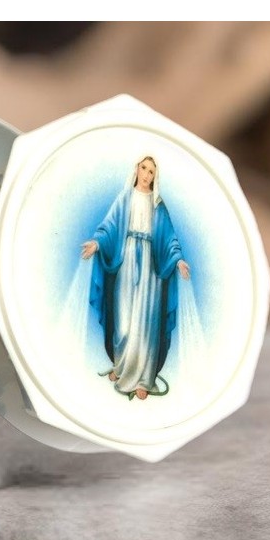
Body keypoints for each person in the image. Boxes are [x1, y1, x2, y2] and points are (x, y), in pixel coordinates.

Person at [81, 155, 191, 400]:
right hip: (127, 260)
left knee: (146, 323)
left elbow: (170, 239)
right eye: (144, 168)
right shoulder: (125, 198)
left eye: (151, 172)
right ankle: (122, 368)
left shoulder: (158, 204)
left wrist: (178, 260)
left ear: (155, 177)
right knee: (124, 321)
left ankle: (143, 379)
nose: (146, 175)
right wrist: (97, 244)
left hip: (151, 267)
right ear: (137, 169)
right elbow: (109, 227)